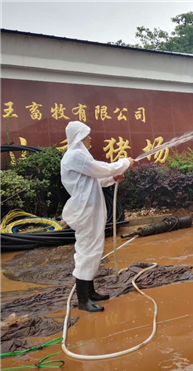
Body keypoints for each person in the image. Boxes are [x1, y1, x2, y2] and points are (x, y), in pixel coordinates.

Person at [60, 121, 135, 313]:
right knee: (87, 251)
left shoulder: (81, 155)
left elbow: (97, 179)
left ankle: (90, 293)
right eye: (87, 134)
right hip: (85, 211)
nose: (90, 137)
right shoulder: (75, 155)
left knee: (93, 249)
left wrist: (113, 178)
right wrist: (124, 163)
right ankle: (83, 300)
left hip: (90, 209)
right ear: (79, 136)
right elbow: (101, 169)